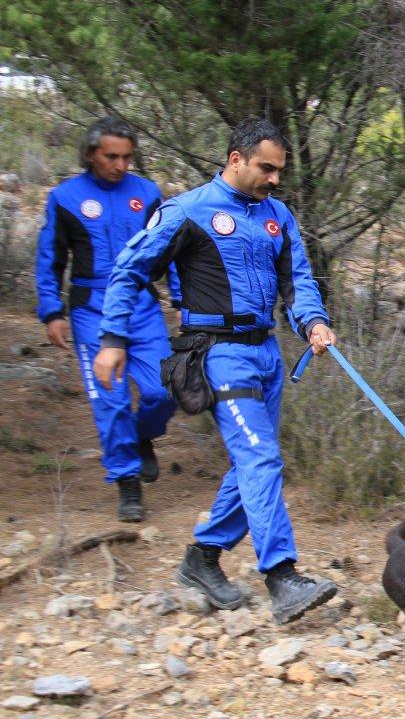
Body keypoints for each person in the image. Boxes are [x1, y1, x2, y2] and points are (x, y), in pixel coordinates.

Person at [92, 118, 339, 625]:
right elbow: (129, 268)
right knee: (262, 460)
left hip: (266, 353)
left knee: (252, 464)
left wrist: (313, 322)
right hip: (217, 353)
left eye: (279, 171)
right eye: (266, 168)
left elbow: (298, 280)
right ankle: (282, 576)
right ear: (235, 159)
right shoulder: (187, 210)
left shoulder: (278, 216)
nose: (274, 179)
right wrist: (114, 339)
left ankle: (201, 559)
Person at [35, 116, 177, 522]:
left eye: (127, 157)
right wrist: (52, 311)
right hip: (91, 307)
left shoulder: (147, 193)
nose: (119, 165)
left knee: (164, 388)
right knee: (110, 399)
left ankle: (142, 435)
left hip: (141, 305)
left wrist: (183, 299)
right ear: (90, 154)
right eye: (110, 156)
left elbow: (170, 250)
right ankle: (127, 483)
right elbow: (50, 259)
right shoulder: (65, 197)